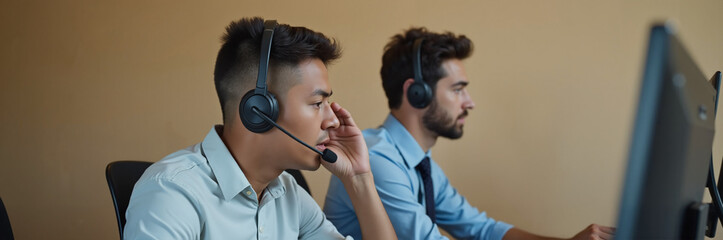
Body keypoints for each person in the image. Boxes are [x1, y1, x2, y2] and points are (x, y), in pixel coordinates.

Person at [323, 27, 615, 240]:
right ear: (417, 93)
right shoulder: (377, 158)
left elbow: (481, 229)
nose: (469, 102)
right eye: (458, 89)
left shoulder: (422, 165)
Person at [123, 17, 396, 239]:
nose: (333, 121)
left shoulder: (288, 195)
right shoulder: (172, 192)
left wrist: (359, 178)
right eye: (317, 103)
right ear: (259, 110)